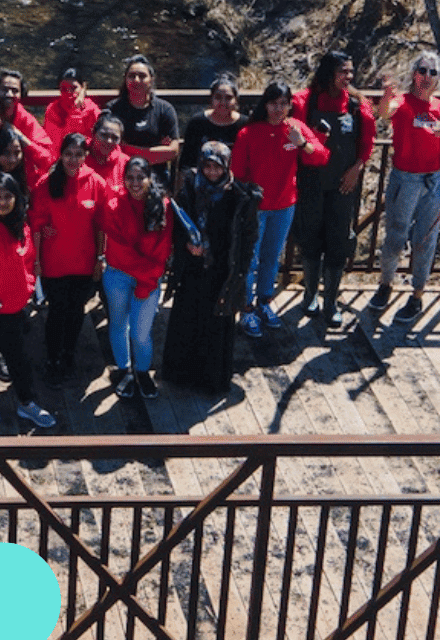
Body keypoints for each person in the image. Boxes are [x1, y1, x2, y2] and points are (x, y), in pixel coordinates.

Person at [367, 51, 440, 324]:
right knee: (395, 237)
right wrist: (385, 97)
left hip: (433, 180)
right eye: (422, 70)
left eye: (433, 73)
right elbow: (386, 112)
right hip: (405, 178)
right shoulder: (404, 102)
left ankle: (417, 295)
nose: (427, 77)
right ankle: (386, 285)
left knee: (426, 240)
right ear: (413, 74)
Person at [160, 141, 259, 395]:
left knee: (216, 327)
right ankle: (180, 376)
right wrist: (186, 246)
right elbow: (177, 227)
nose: (212, 172)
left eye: (217, 167)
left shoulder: (240, 196)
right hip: (192, 269)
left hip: (222, 272)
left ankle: (211, 380)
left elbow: (247, 238)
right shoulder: (190, 189)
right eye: (207, 166)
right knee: (187, 321)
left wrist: (240, 274)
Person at [231, 81, 327, 337]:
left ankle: (264, 302)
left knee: (271, 257)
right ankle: (246, 308)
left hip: (285, 205)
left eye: (284, 104)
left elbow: (321, 156)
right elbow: (238, 172)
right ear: (265, 104)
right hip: (256, 208)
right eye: (274, 104)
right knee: (250, 259)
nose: (278, 109)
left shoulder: (296, 128)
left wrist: (302, 144)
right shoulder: (248, 133)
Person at [0, 172, 58, 428]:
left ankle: (26, 403)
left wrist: (27, 288)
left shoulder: (21, 225)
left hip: (14, 309)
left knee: (18, 359)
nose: (3, 202)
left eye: (8, 196)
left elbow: (27, 261)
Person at [291, 52, 377, 326]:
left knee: (338, 242)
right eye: (343, 71)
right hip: (312, 181)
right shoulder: (306, 100)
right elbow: (295, 133)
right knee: (310, 238)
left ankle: (331, 302)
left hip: (343, 185)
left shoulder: (357, 105)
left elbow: (367, 142)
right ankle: (309, 295)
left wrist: (357, 168)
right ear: (328, 72)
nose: (348, 77)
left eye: (351, 72)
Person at [30, 131, 107, 383]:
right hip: (55, 263)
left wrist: (100, 258)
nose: (73, 160)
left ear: (86, 155)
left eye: (78, 154)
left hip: (84, 263)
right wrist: (38, 262)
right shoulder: (46, 183)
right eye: (68, 154)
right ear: (60, 155)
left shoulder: (96, 183)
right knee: (57, 312)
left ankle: (68, 353)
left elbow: (101, 226)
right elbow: (37, 226)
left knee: (76, 312)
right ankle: (52, 357)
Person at [97, 157, 173, 400]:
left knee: (141, 333)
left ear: (150, 178)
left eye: (141, 177)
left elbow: (163, 249)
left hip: (149, 278)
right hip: (119, 274)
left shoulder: (164, 206)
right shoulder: (113, 205)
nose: (135, 183)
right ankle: (124, 370)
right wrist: (147, 275)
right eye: (130, 177)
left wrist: (148, 280)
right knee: (119, 325)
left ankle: (142, 372)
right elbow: (119, 251)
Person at [107, 54, 180, 180]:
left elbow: (173, 151)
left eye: (142, 76)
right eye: (132, 76)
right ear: (125, 79)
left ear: (151, 79)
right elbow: (108, 148)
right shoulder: (113, 109)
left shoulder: (165, 109)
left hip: (156, 176)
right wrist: (156, 152)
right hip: (120, 174)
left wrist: (127, 149)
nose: (136, 80)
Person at [178, 74, 245, 181]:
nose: (223, 103)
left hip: (235, 185)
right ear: (211, 99)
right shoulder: (197, 122)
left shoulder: (245, 125)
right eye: (218, 97)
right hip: (200, 184)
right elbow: (186, 162)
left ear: (236, 100)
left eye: (228, 98)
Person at [42, 67, 100, 147]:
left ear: (81, 88)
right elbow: (56, 142)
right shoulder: (52, 109)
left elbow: (100, 139)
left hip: (86, 154)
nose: (69, 93)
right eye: (64, 89)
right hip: (61, 155)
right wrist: (74, 110)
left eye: (73, 88)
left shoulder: (92, 109)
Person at [85, 113, 129, 187]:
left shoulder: (126, 164)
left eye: (115, 138)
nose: (109, 141)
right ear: (93, 133)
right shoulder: (78, 157)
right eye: (104, 135)